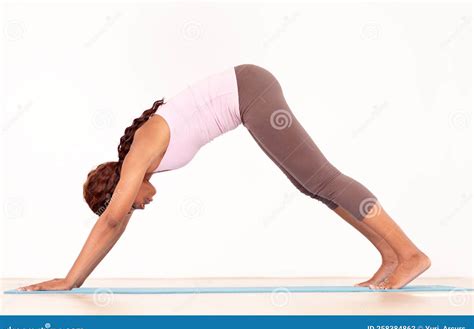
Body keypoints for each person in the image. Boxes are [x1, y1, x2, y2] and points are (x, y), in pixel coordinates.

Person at [19, 64, 430, 292]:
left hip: (250, 90)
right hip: (249, 94)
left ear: (117, 189)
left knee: (322, 177)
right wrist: (77, 280)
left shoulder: (139, 151)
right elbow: (117, 220)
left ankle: (410, 254)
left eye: (131, 204)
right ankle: (390, 258)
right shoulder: (139, 164)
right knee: (310, 185)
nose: (140, 206)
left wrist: (69, 280)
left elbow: (113, 219)